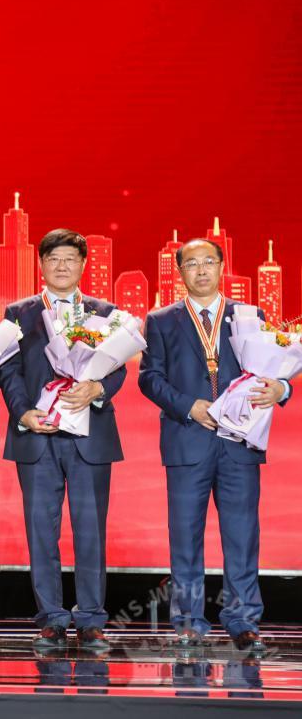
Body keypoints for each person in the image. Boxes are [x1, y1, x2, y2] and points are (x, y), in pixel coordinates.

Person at [138, 238, 289, 654]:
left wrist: (282, 388)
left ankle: (243, 620)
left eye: (209, 262)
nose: (201, 270)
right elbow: (149, 377)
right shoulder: (161, 320)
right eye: (192, 264)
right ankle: (189, 622)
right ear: (180, 272)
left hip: (239, 443)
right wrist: (189, 407)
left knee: (242, 535)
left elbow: (274, 369)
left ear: (222, 267)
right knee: (185, 535)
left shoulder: (249, 315)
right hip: (187, 439)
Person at [0, 229, 125, 651]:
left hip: (90, 436)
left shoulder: (105, 313)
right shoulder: (19, 313)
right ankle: (51, 617)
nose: (62, 266)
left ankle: (91, 619)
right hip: (39, 436)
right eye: (53, 259)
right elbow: (8, 370)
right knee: (41, 531)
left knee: (90, 531)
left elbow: (119, 367)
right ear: (42, 265)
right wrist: (23, 413)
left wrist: (98, 389)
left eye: (70, 258)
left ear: (83, 264)